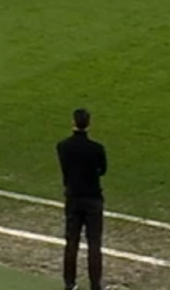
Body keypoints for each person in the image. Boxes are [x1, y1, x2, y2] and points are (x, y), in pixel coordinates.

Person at [56, 109, 106, 290]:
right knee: (94, 244)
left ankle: (69, 283)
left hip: (73, 197)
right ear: (89, 124)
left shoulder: (63, 146)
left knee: (71, 243)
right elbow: (103, 170)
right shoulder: (96, 148)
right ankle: (95, 285)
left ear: (73, 122)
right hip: (92, 198)